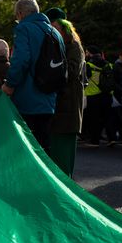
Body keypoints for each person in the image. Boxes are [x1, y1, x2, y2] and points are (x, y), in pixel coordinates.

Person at [1, 0, 64, 153]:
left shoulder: (24, 29)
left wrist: (9, 84)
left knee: (25, 148)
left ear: (21, 14)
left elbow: (21, 60)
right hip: (49, 99)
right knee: (44, 148)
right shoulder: (55, 33)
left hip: (27, 98)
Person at [48, 17, 85, 178]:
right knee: (56, 152)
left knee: (64, 156)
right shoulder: (59, 47)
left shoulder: (74, 47)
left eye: (56, 28)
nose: (53, 31)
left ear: (65, 31)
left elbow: (71, 72)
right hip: (60, 108)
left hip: (68, 109)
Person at [83, 46, 113, 146]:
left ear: (91, 53)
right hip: (106, 94)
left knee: (94, 119)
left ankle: (94, 140)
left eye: (87, 52)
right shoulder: (108, 64)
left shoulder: (88, 64)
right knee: (107, 117)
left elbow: (83, 79)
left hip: (93, 95)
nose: (86, 54)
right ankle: (111, 138)